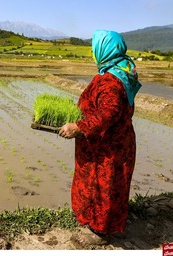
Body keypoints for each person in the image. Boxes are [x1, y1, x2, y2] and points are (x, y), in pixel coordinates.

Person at [58, 30, 142, 245]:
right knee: (107, 187)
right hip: (112, 143)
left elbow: (109, 112)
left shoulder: (111, 81)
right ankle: (100, 222)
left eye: (95, 47)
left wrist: (78, 126)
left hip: (108, 149)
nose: (92, 52)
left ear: (104, 49)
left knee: (103, 187)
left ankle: (100, 232)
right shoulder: (119, 71)